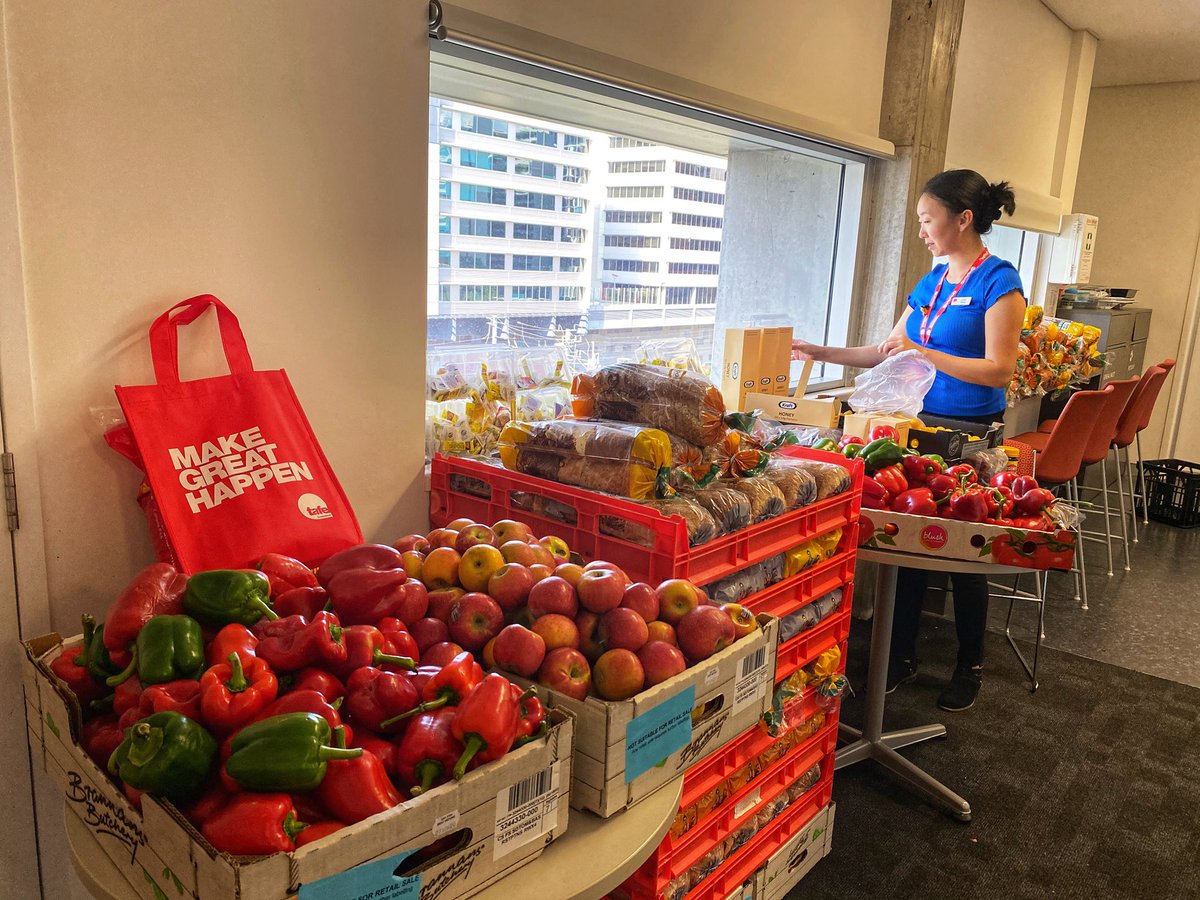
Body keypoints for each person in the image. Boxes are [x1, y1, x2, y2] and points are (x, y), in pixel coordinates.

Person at [793, 169, 1025, 711]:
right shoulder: (933, 282)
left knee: (966, 554)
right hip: (918, 428)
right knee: (908, 543)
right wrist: (821, 353)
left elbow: (998, 370)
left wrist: (928, 355)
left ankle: (970, 665)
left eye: (927, 219)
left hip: (970, 437)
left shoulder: (1000, 282)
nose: (921, 230)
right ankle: (900, 656)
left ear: (962, 219)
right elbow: (887, 350)